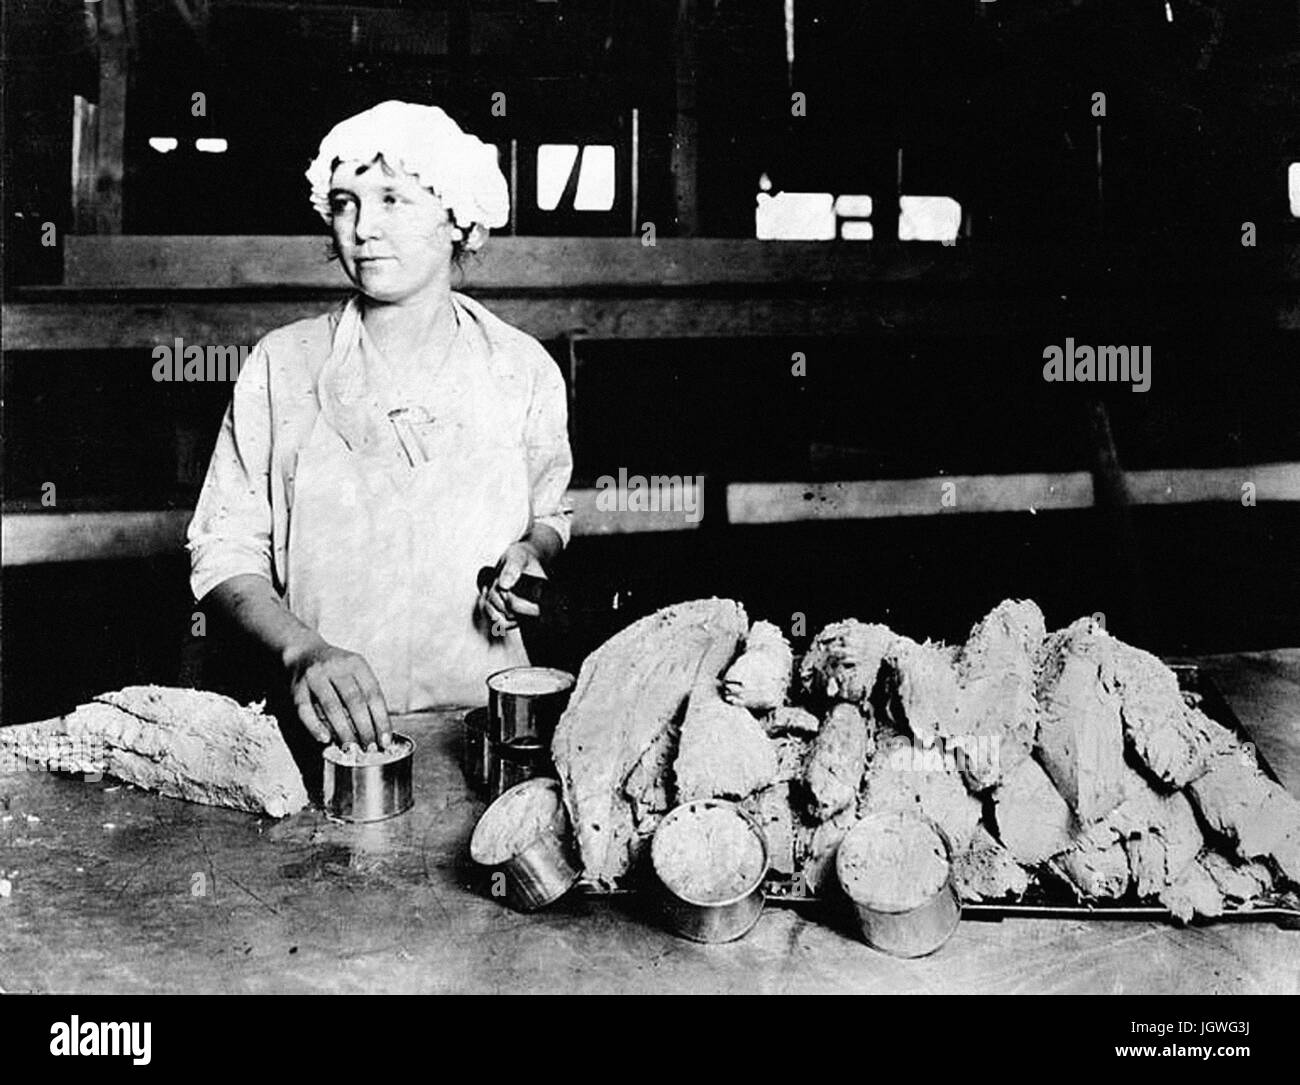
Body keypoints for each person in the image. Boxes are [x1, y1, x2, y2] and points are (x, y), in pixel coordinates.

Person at [187, 101, 573, 752]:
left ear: (460, 220)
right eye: (345, 202)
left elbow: (549, 511)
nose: (363, 228)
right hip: (323, 724)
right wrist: (301, 649)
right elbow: (223, 548)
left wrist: (531, 553)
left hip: (482, 716)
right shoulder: (284, 364)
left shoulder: (521, 368)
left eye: (393, 199)